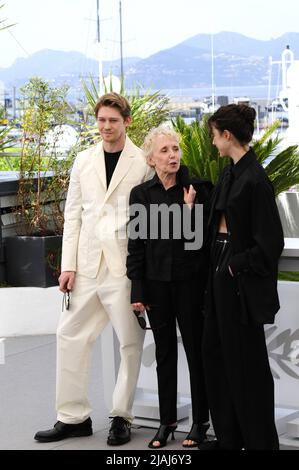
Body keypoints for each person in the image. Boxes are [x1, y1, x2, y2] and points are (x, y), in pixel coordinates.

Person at [34, 92, 152, 446]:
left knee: (130, 344)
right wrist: (67, 265)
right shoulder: (83, 160)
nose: (106, 126)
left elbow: (148, 219)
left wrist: (143, 273)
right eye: (101, 120)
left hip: (124, 267)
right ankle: (72, 417)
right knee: (69, 336)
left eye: (113, 120)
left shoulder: (142, 162)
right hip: (85, 267)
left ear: (126, 122)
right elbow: (73, 215)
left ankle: (121, 417)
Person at [200, 104, 284, 450]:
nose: (213, 142)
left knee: (246, 366)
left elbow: (271, 242)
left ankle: (260, 442)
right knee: (216, 357)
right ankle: (229, 437)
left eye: (214, 135)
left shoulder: (256, 179)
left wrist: (234, 266)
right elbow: (217, 216)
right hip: (219, 271)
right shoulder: (229, 173)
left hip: (237, 279)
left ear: (227, 135)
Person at [126, 126, 213, 449]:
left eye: (175, 149)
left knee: (195, 353)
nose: (172, 155)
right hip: (156, 286)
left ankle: (201, 422)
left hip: (190, 285)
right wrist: (138, 290)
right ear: (151, 159)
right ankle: (167, 422)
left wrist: (189, 211)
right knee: (164, 355)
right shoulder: (141, 194)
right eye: (164, 151)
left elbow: (200, 244)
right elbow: (136, 244)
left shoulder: (197, 189)